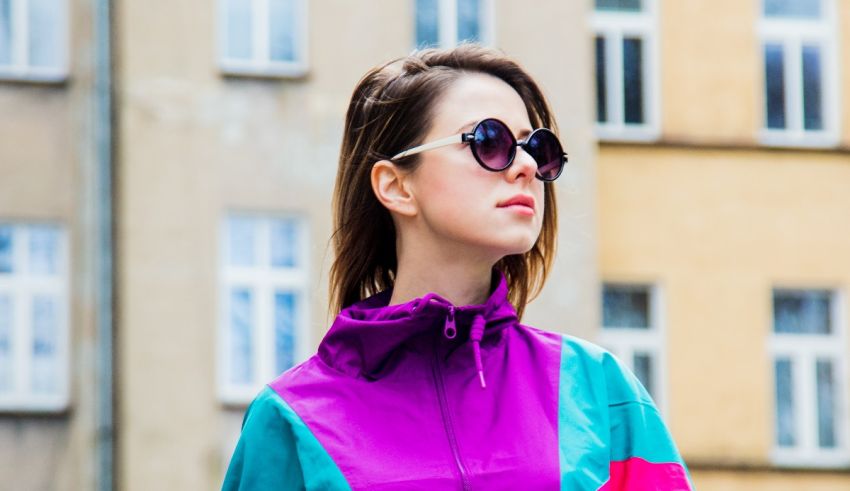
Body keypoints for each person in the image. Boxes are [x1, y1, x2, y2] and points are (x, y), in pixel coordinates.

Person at [222, 44, 693, 490]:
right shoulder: (292, 420)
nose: (526, 166)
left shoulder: (599, 390)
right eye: (490, 141)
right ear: (396, 186)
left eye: (538, 148)